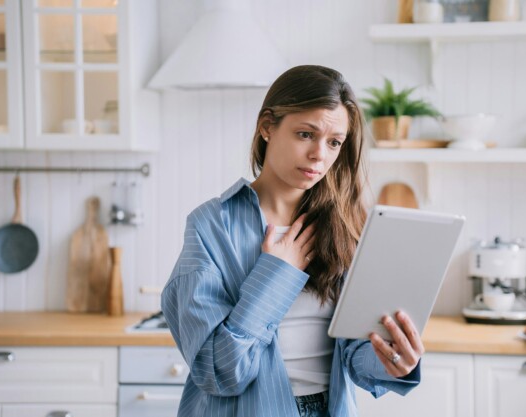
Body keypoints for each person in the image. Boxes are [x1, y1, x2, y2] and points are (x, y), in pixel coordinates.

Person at [161, 65, 424, 417]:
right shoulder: (211, 226)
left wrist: (395, 361)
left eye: (334, 142)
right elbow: (219, 373)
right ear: (267, 126)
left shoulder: (346, 226)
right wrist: (276, 275)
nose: (320, 155)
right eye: (305, 134)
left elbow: (355, 357)